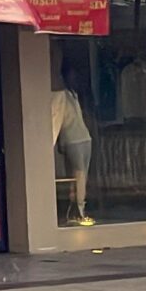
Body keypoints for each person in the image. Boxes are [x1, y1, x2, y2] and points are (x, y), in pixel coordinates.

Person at [52, 59, 94, 227]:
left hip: (83, 137)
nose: (74, 79)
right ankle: (79, 210)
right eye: (71, 76)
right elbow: (56, 118)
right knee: (79, 175)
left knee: (81, 175)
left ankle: (76, 209)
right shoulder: (60, 96)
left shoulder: (73, 94)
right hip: (72, 139)